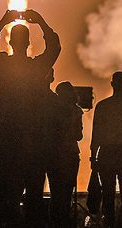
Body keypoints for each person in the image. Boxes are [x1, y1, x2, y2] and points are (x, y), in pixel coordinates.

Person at [0, 9, 60, 224]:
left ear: (9, 42)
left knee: (7, 194)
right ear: (28, 43)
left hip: (6, 136)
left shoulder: (3, 67)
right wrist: (41, 22)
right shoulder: (37, 68)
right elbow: (54, 47)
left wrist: (3, 21)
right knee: (34, 194)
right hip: (33, 137)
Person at [91, 71, 122, 226]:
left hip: (107, 153)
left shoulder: (102, 106)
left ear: (112, 84)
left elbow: (96, 134)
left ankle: (109, 223)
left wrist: (93, 156)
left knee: (107, 193)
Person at [48, 81, 84, 228]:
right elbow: (79, 136)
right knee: (67, 194)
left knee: (55, 194)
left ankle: (54, 223)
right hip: (71, 154)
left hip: (54, 154)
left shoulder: (52, 110)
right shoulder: (76, 111)